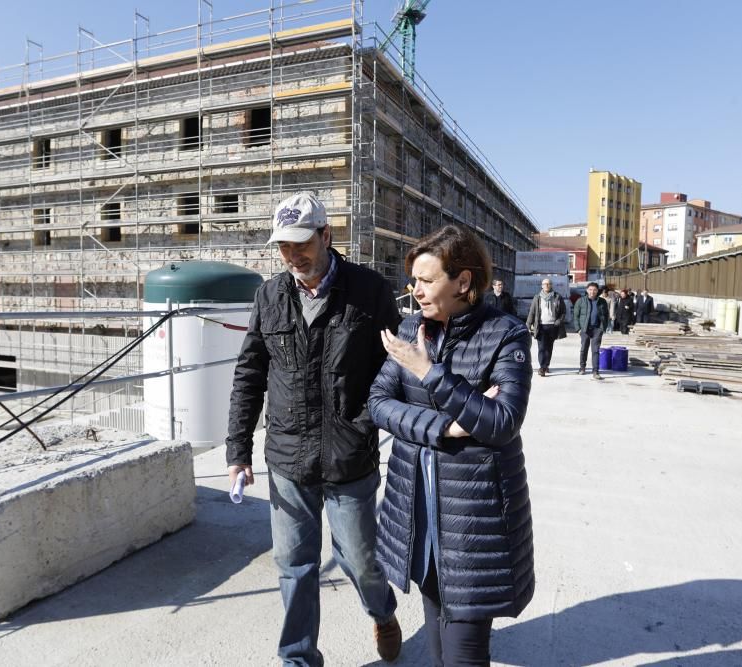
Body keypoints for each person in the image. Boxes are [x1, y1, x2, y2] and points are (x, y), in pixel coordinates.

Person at [225, 191, 402, 666]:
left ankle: (382, 611)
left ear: (327, 235)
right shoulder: (269, 295)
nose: (292, 255)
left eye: (301, 243)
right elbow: (250, 374)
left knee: (361, 561)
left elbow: (396, 367)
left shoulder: (370, 291)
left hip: (349, 455)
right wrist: (238, 451)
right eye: (282, 246)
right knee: (294, 566)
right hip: (287, 457)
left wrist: (368, 419)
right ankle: (298, 658)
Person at [369, 225, 535, 666]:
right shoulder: (409, 329)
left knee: (463, 653)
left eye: (426, 280)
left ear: (463, 282)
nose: (415, 290)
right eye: (414, 281)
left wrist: (430, 374)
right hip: (417, 516)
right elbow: (379, 404)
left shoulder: (506, 335)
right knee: (437, 646)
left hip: (472, 524)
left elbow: (502, 421)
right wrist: (444, 428)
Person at [525, 278, 567, 376]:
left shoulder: (557, 296)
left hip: (553, 326)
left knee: (549, 347)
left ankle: (546, 365)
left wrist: (558, 321)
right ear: (542, 285)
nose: (546, 285)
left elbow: (563, 312)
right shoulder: (537, 297)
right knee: (542, 347)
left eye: (548, 284)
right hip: (541, 326)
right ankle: (542, 367)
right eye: (545, 284)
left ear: (551, 285)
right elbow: (532, 311)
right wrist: (528, 324)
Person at [573, 281, 610, 380]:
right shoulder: (581, 301)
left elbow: (606, 315)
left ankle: (595, 371)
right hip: (584, 329)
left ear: (597, 291)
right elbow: (575, 316)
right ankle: (582, 368)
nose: (592, 292)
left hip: (597, 329)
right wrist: (578, 329)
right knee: (584, 349)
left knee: (596, 350)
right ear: (587, 290)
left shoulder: (602, 302)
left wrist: (603, 328)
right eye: (590, 290)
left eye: (594, 290)